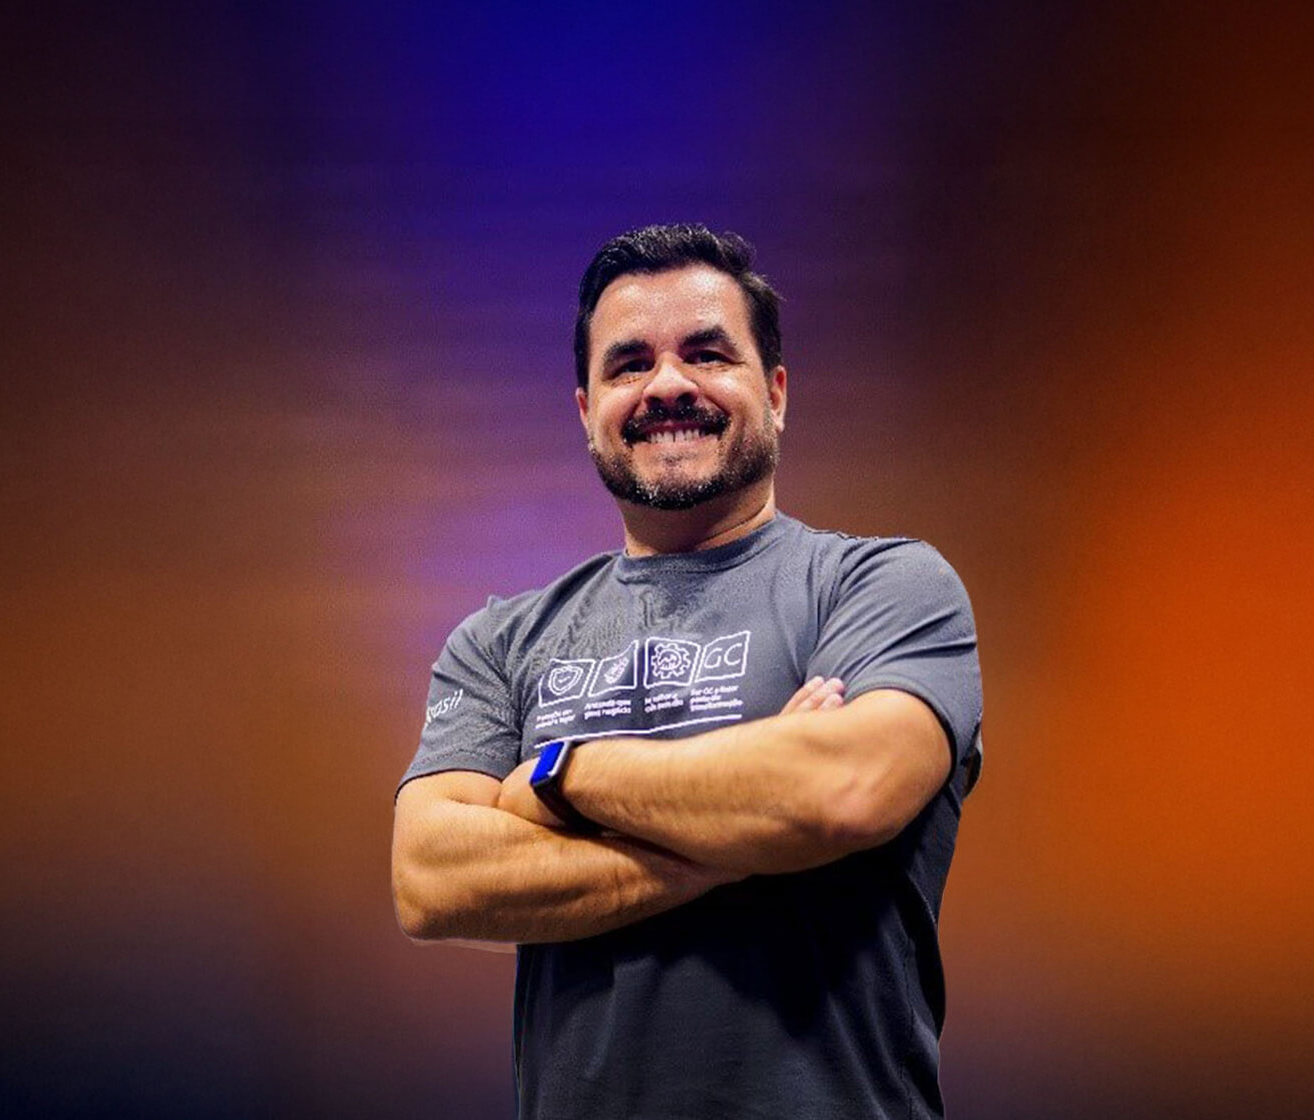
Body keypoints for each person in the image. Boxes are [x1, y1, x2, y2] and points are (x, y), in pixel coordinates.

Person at [391, 224, 983, 1119]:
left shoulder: (883, 586)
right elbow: (430, 879)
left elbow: (841, 792)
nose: (667, 384)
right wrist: (751, 837)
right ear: (586, 408)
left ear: (775, 393)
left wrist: (560, 775)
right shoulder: (500, 641)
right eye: (629, 365)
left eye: (706, 354)